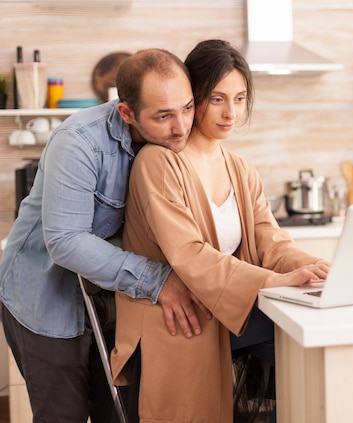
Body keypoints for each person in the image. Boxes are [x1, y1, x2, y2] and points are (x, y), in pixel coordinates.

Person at [111, 39, 330, 422]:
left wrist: (317, 267)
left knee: (309, 356)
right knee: (303, 349)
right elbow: (189, 254)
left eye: (241, 98)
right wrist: (276, 281)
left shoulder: (241, 169)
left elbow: (272, 241)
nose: (232, 112)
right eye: (217, 99)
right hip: (181, 317)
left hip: (225, 310)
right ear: (193, 97)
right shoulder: (157, 163)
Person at [0, 48, 212, 423]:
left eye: (187, 108)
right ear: (126, 112)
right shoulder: (79, 142)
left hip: (104, 296)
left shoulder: (171, 139)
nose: (181, 127)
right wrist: (160, 281)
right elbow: (66, 241)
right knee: (63, 415)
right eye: (163, 116)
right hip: (41, 294)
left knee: (116, 412)